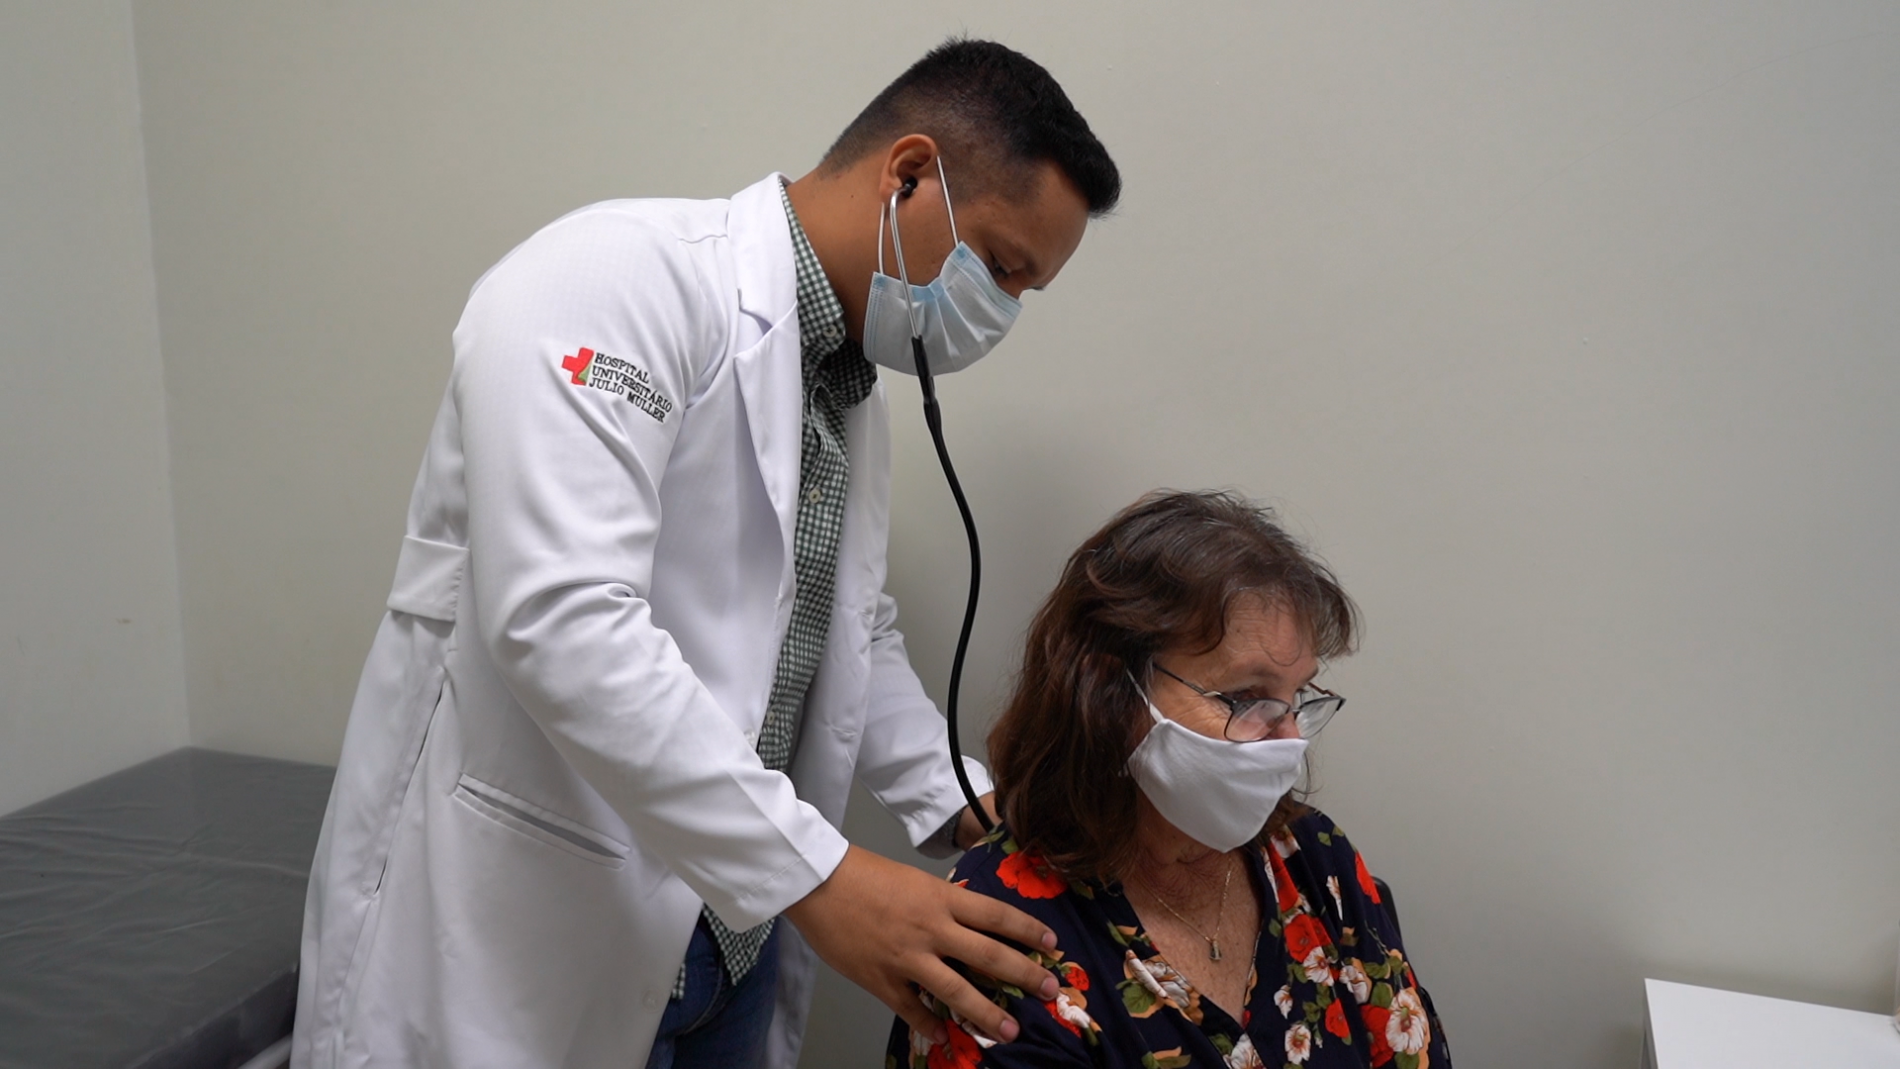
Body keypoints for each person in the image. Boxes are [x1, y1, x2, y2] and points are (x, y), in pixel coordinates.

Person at [291, 39, 1121, 1069]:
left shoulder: (847, 390)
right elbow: (561, 619)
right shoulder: (612, 280)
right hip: (532, 929)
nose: (1000, 310)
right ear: (908, 174)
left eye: (1024, 290)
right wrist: (821, 875)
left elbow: (848, 633)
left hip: (733, 941)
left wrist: (963, 804)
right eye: (998, 265)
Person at [889, 491, 1452, 1068]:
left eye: (1297, 697)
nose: (1289, 741)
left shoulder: (1311, 856)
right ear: (1110, 691)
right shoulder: (1002, 939)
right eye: (1246, 697)